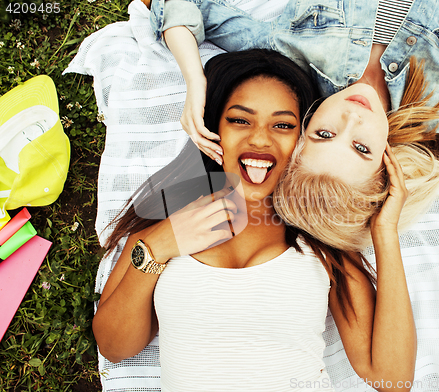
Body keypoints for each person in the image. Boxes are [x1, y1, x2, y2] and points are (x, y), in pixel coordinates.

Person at [93, 48, 416, 391]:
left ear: (302, 141)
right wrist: (158, 246)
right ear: (213, 130)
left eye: (282, 125)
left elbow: (392, 377)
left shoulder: (322, 244)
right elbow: (115, 347)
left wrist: (384, 231)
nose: (260, 138)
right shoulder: (163, 227)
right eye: (240, 120)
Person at [151, 0, 439, 250]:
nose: (351, 117)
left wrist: (195, 81)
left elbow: (178, 4)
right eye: (361, 148)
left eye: (325, 135)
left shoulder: (287, 58)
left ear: (304, 130)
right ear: (387, 163)